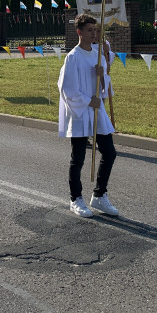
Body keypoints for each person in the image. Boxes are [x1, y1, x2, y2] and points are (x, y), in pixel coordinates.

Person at [57, 12, 119, 218]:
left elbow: (104, 88)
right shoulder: (72, 57)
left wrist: (102, 77)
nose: (94, 34)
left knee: (109, 152)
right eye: (90, 31)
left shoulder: (98, 54)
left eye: (95, 30)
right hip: (81, 112)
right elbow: (66, 88)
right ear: (79, 32)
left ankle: (99, 195)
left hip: (97, 110)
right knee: (79, 157)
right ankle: (76, 199)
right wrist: (86, 101)